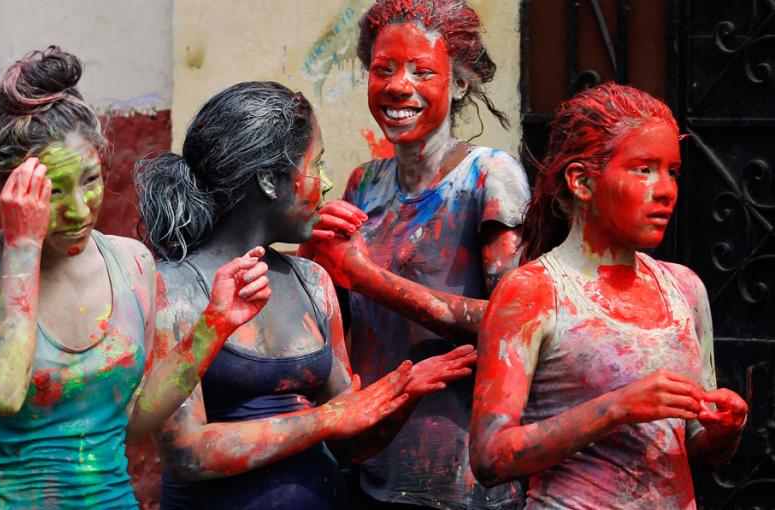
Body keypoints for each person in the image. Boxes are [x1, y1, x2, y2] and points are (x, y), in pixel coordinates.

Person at [0, 47, 271, 509]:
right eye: (52, 191)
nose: (78, 208)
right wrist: (23, 247)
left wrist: (215, 325)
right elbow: (4, 393)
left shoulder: (131, 263)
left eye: (89, 180)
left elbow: (132, 421)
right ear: (2, 190)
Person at [135, 81, 477, 510]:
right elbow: (186, 452)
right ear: (270, 181)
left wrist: (402, 397)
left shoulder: (313, 282)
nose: (329, 182)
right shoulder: (176, 288)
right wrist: (325, 420)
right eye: (318, 164)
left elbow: (347, 443)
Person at [469, 83, 748, 509]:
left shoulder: (684, 289)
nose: (666, 190)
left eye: (672, 171)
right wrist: (618, 407)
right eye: (643, 169)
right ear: (581, 181)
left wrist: (723, 429)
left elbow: (692, 445)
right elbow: (489, 456)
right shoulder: (535, 291)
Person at [300, 1, 529, 508]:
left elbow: (516, 325)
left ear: (460, 83)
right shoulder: (364, 183)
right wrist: (311, 249)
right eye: (383, 70)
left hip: (463, 478)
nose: (398, 86)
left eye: (422, 71)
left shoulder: (490, 177)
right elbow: (335, 310)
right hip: (370, 463)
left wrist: (370, 278)